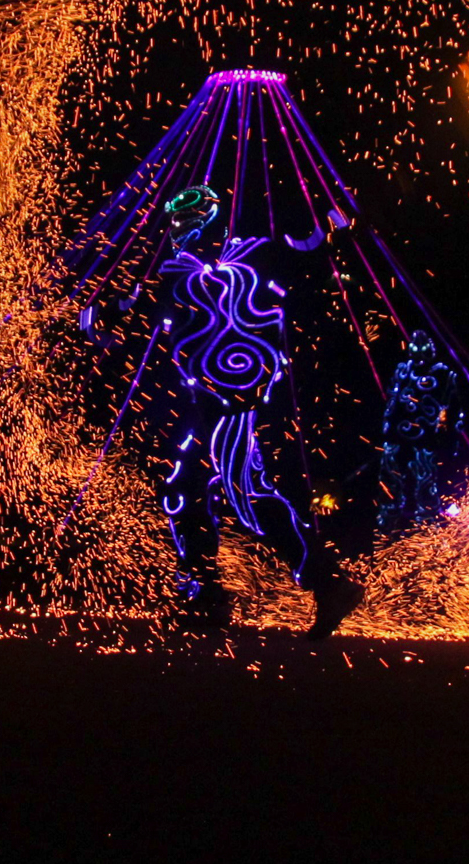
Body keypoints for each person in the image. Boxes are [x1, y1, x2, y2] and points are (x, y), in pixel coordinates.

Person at [143, 184, 365, 637]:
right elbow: (150, 313)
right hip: (206, 397)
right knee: (192, 489)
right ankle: (206, 592)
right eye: (175, 222)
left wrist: (336, 216)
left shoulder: (249, 256)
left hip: (232, 399)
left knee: (240, 497)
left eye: (186, 221)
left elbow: (309, 252)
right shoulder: (178, 271)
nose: (177, 230)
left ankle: (322, 581)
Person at [376, 329, 463, 531]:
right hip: (398, 435)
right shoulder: (402, 370)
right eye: (415, 348)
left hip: (427, 436)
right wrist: (387, 426)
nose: (418, 353)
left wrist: (450, 435)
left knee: (425, 477)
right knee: (392, 477)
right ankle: (389, 517)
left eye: (422, 348)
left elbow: (453, 407)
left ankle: (427, 518)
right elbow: (392, 399)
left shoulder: (443, 373)